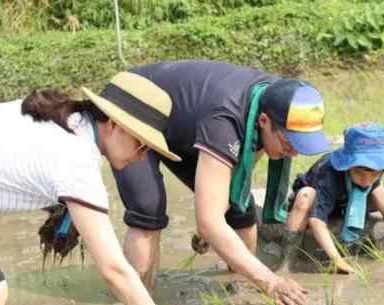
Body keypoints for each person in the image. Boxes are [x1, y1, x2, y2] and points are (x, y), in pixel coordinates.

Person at [101, 60, 331, 305]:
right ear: (264, 121)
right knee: (148, 210)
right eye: (288, 144)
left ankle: (239, 292)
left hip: (186, 125)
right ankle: (136, 298)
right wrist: (271, 281)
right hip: (135, 108)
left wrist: (214, 220)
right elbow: (210, 222)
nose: (293, 154)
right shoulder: (226, 120)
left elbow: (239, 173)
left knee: (240, 210)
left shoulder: (275, 98)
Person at [0, 88, 169, 305]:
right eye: (141, 146)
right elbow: (115, 271)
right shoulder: (78, 160)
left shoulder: (66, 118)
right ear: (114, 125)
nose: (143, 158)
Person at [277, 122, 384, 274]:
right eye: (360, 173)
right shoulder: (329, 174)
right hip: (319, 200)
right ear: (347, 165)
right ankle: (286, 264)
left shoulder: (375, 172)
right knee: (305, 196)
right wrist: (337, 260)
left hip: (349, 201)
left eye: (374, 174)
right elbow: (316, 220)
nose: (366, 181)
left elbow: (375, 190)